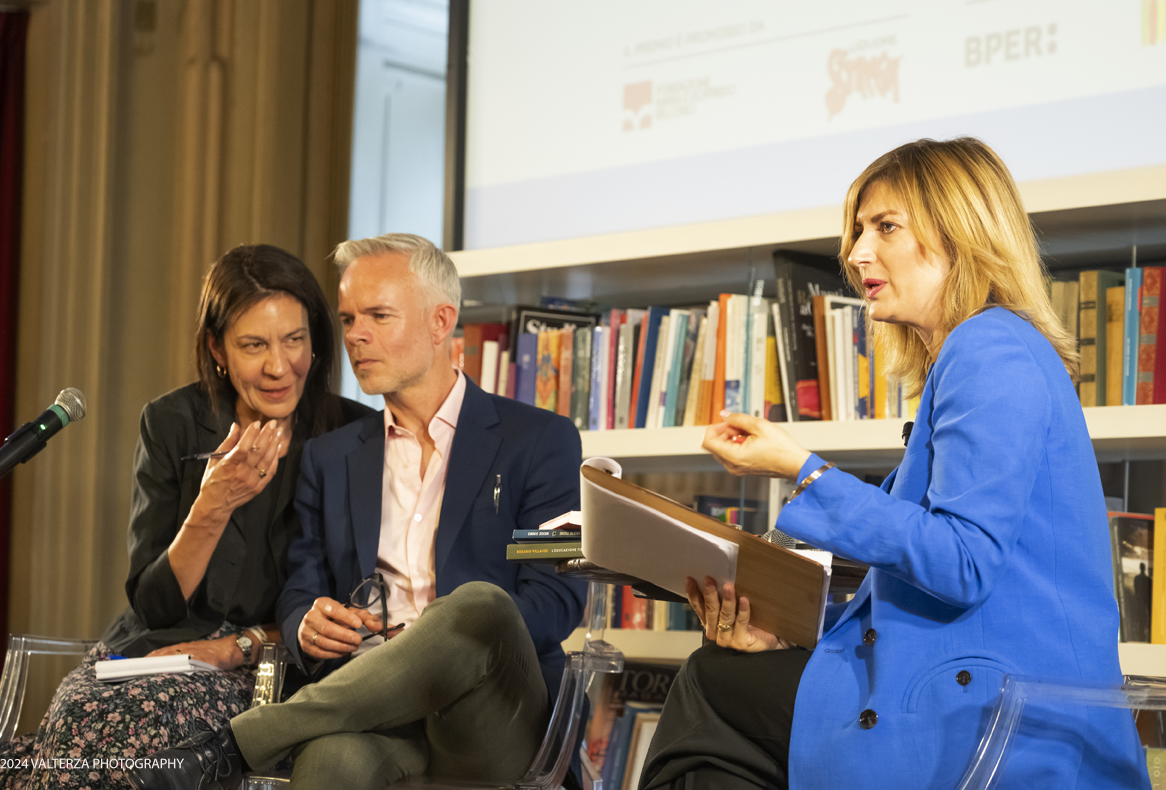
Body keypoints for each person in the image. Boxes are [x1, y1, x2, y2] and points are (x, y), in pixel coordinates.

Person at [638, 138, 1149, 790]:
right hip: (977, 686)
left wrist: (804, 471)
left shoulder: (988, 348)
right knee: (724, 676)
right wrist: (790, 632)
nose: (854, 254)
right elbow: (918, 576)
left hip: (1002, 715)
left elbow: (961, 562)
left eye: (885, 227)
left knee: (711, 687)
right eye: (856, 230)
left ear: (960, 232)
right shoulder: (982, 352)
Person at [130, 233, 586, 790]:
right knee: (328, 764)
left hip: (492, 714)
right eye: (347, 319)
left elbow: (559, 597)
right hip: (377, 715)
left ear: (441, 322)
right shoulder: (333, 456)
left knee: (482, 607)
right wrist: (306, 623)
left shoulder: (541, 441)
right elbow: (301, 591)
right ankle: (254, 743)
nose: (355, 337)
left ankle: (238, 743)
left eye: (378, 315)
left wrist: (432, 642)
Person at [0, 244, 367, 790]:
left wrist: (241, 644)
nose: (279, 366)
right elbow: (154, 604)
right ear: (216, 348)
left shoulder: (352, 437)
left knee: (109, 742)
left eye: (294, 340)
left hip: (265, 670)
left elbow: (351, 603)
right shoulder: (172, 421)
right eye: (254, 345)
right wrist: (212, 504)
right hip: (150, 651)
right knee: (77, 719)